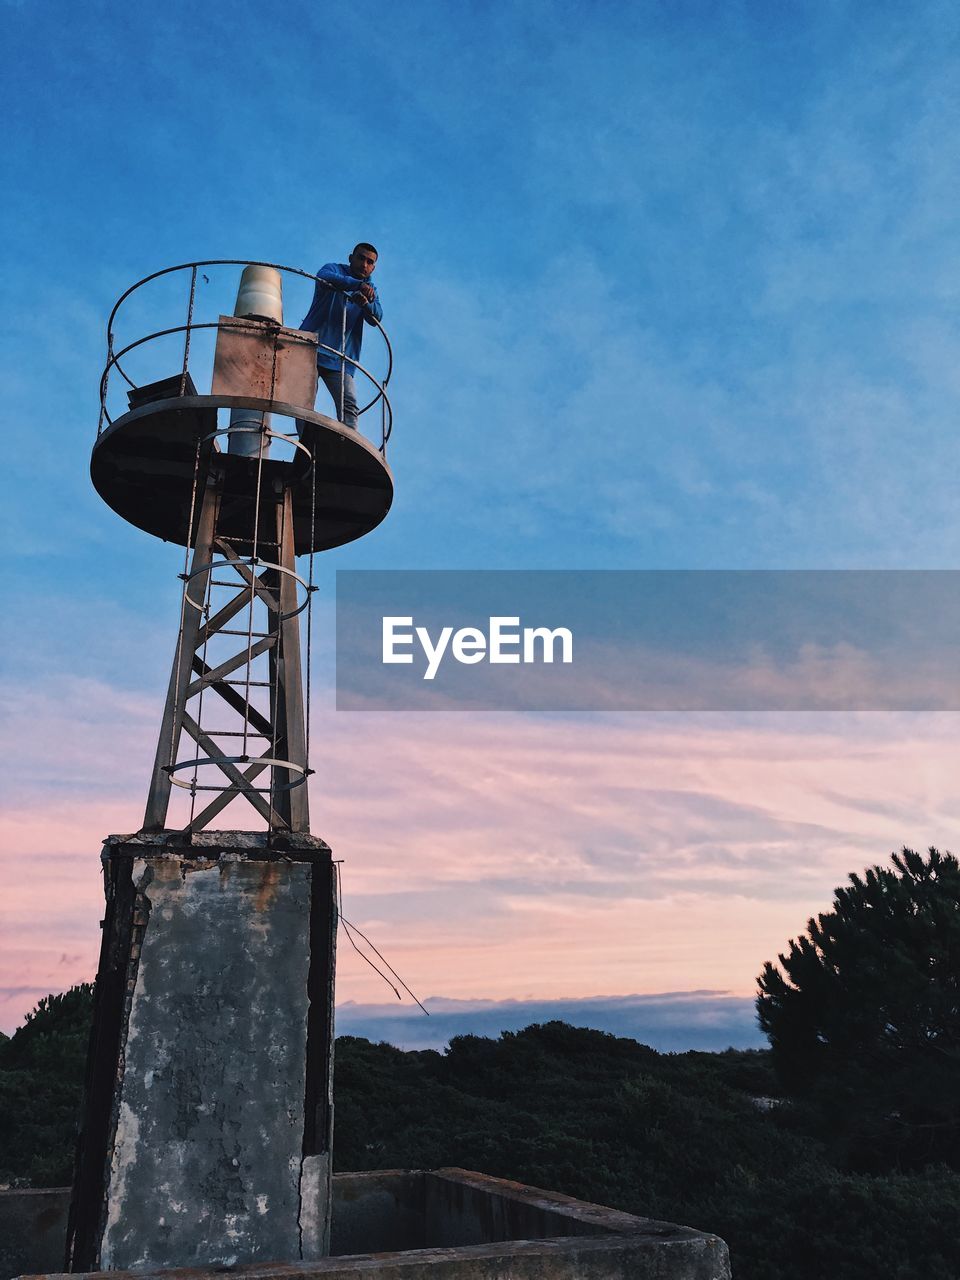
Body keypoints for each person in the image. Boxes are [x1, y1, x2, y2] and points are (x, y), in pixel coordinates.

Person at [300, 243, 383, 431]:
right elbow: (324, 277)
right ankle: (305, 445)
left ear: (373, 267)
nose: (364, 264)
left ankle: (347, 448)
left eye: (370, 262)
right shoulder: (333, 269)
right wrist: (357, 285)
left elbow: (377, 316)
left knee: (349, 404)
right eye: (361, 258)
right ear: (350, 257)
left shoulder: (370, 290)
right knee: (304, 402)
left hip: (340, 359)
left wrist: (365, 304)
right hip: (309, 349)